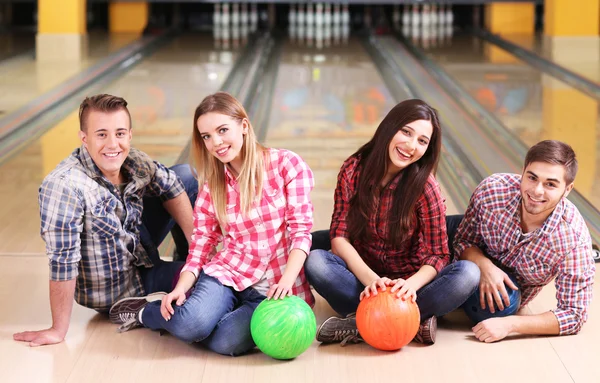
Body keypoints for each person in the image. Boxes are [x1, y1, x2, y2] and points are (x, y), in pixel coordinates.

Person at [109, 92, 315, 356]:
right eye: (206, 136)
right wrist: (181, 288)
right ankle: (147, 312)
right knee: (193, 324)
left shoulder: (287, 165)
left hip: (274, 289)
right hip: (228, 274)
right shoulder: (213, 185)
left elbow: (301, 232)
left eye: (222, 130)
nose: (216, 142)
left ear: (244, 126)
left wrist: (287, 280)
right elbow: (200, 248)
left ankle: (200, 314)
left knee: (225, 342)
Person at [12, 94, 197, 347]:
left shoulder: (131, 159)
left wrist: (197, 255)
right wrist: (58, 329)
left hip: (133, 248)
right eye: (101, 134)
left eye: (119, 133)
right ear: (84, 138)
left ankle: (188, 260)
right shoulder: (65, 187)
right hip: (121, 287)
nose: (113, 144)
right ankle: (139, 308)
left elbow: (172, 185)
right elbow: (63, 260)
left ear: (129, 135)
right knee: (210, 281)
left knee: (184, 175)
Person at [305, 99, 480, 346]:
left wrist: (408, 286)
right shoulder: (354, 170)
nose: (411, 145)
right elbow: (339, 236)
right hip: (364, 281)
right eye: (406, 132)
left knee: (468, 274)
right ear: (390, 127)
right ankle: (410, 323)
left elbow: (437, 254)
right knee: (316, 261)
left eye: (422, 141)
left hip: (410, 287)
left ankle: (362, 323)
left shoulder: (425, 187)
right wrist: (372, 281)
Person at [453, 139, 595, 343]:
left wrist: (510, 324)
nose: (537, 190)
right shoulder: (493, 190)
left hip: (508, 295)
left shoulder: (573, 240)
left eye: (550, 184)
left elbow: (574, 314)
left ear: (568, 189)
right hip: (467, 253)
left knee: (497, 308)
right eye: (532, 177)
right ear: (523, 172)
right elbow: (462, 240)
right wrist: (484, 266)